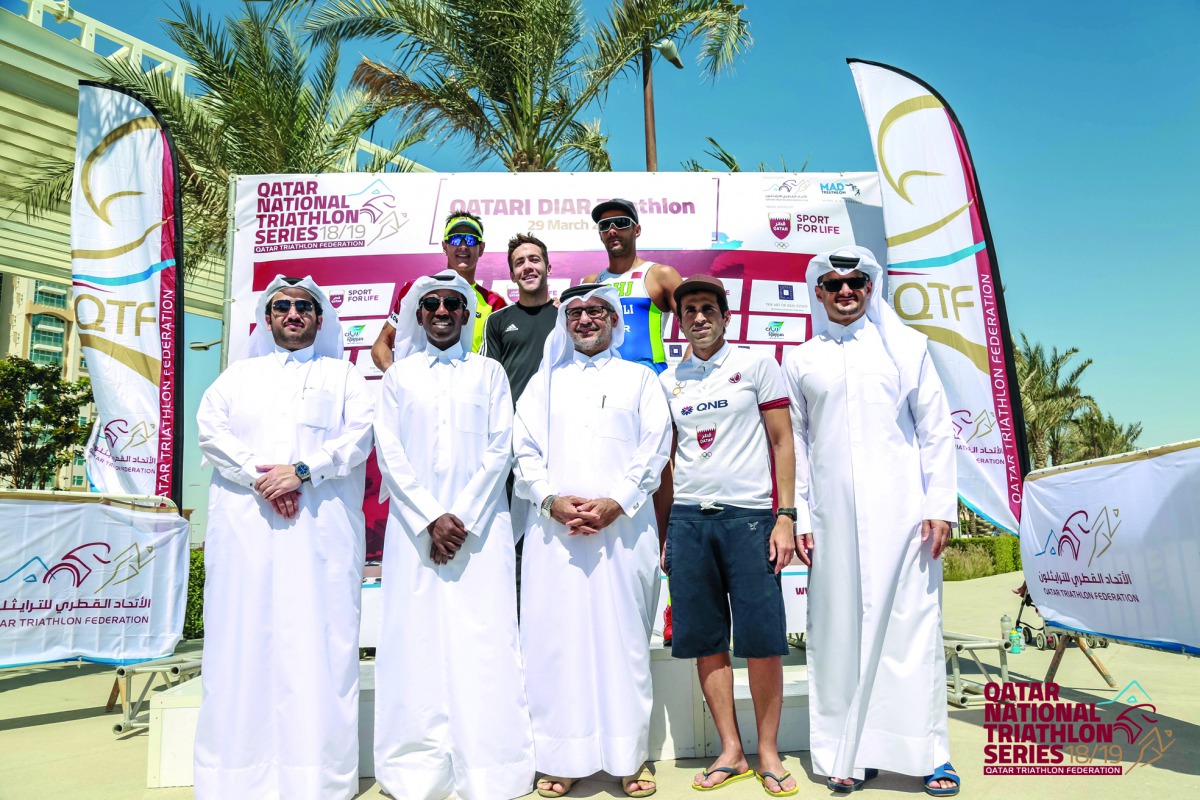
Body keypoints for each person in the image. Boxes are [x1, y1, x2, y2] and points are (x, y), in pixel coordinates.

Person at [782, 246, 960, 797]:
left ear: (869, 286)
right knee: (837, 636)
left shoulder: (905, 348)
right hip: (831, 522)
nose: (845, 291)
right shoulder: (801, 359)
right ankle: (845, 755)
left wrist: (939, 507)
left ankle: (930, 755)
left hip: (904, 520)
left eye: (855, 281)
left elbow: (936, 430)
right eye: (833, 283)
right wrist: (803, 514)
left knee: (911, 630)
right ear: (818, 292)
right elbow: (798, 444)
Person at [195, 276, 373, 800]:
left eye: (304, 307)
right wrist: (261, 477)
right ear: (266, 318)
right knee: (241, 645)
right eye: (282, 307)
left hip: (321, 538)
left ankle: (316, 779)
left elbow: (359, 435)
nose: (293, 314)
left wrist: (301, 470)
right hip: (247, 535)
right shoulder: (236, 377)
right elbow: (211, 431)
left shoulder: (344, 376)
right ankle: (236, 778)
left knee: (318, 646)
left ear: (320, 320)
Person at [372, 271, 534, 800]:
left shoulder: (489, 374)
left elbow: (499, 449)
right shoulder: (398, 378)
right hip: (414, 533)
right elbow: (390, 452)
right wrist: (428, 518)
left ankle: (491, 768)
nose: (441, 311)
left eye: (452, 304)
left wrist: (457, 518)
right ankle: (415, 772)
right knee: (414, 644)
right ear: (418, 315)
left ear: (466, 315)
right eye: (431, 304)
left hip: (479, 534)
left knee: (483, 643)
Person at [513, 284, 672, 799]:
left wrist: (616, 502)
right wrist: (550, 500)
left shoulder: (640, 379)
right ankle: (561, 757)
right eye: (576, 313)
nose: (584, 321)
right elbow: (525, 452)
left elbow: (656, 447)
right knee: (557, 646)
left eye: (595, 312)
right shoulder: (544, 385)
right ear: (565, 323)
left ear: (613, 320)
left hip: (623, 534)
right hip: (554, 536)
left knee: (624, 644)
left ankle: (630, 758)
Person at [659, 275, 800, 796]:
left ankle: (767, 752)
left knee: (762, 643)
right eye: (689, 309)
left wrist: (785, 515)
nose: (698, 316)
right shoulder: (668, 380)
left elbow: (783, 442)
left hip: (750, 520)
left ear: (725, 315)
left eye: (707, 308)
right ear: (680, 321)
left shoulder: (758, 365)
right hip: (691, 521)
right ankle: (732, 751)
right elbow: (666, 467)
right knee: (707, 643)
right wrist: (666, 531)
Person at [371, 211, 506, 370]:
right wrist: (397, 378)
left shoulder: (494, 303)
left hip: (469, 390)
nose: (463, 246)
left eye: (471, 240)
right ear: (444, 246)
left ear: (481, 248)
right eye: (455, 239)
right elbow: (382, 343)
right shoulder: (417, 290)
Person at [584, 198, 682, 374]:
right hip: (602, 378)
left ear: (636, 230)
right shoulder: (590, 282)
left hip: (650, 375)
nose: (612, 230)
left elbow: (694, 324)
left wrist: (690, 367)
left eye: (621, 223)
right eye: (604, 226)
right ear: (600, 235)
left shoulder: (660, 275)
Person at [480, 233, 559, 402]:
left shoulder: (567, 317)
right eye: (519, 262)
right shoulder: (496, 321)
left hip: (559, 421)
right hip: (514, 423)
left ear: (549, 269)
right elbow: (487, 378)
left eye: (534, 259)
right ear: (512, 276)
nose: (527, 267)